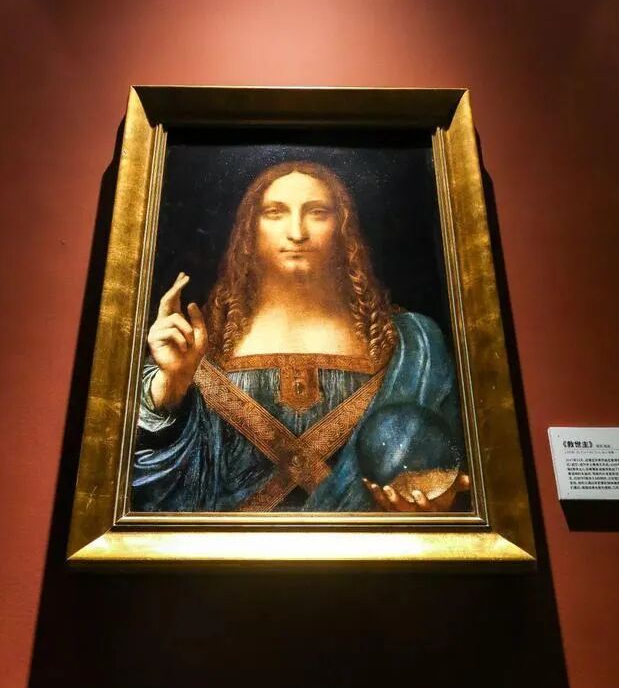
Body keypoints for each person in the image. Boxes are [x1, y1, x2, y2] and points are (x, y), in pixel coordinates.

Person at [132, 161, 468, 512]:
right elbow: (148, 484)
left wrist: (435, 502)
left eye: (317, 212)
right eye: (275, 213)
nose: (297, 232)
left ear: (344, 227)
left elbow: (447, 466)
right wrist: (171, 384)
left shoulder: (416, 344)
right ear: (249, 228)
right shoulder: (195, 342)